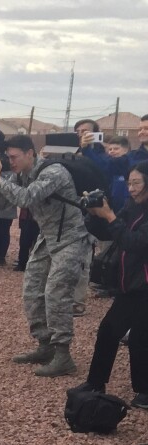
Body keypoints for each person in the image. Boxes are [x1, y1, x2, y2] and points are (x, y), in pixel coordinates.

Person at [0, 134, 96, 377]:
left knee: (56, 293)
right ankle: (45, 344)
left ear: (31, 153)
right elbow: (1, 199)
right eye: (8, 157)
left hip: (71, 236)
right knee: (32, 289)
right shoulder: (24, 174)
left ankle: (63, 355)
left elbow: (25, 198)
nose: (11, 162)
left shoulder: (54, 172)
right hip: (48, 236)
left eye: (15, 157)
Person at [76, 162, 148, 407]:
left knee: (140, 339)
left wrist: (109, 216)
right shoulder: (132, 206)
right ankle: (96, 382)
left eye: (136, 183)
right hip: (131, 284)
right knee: (109, 331)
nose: (131, 188)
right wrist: (95, 214)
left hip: (145, 286)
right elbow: (112, 233)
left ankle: (144, 390)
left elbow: (135, 242)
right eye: (129, 183)